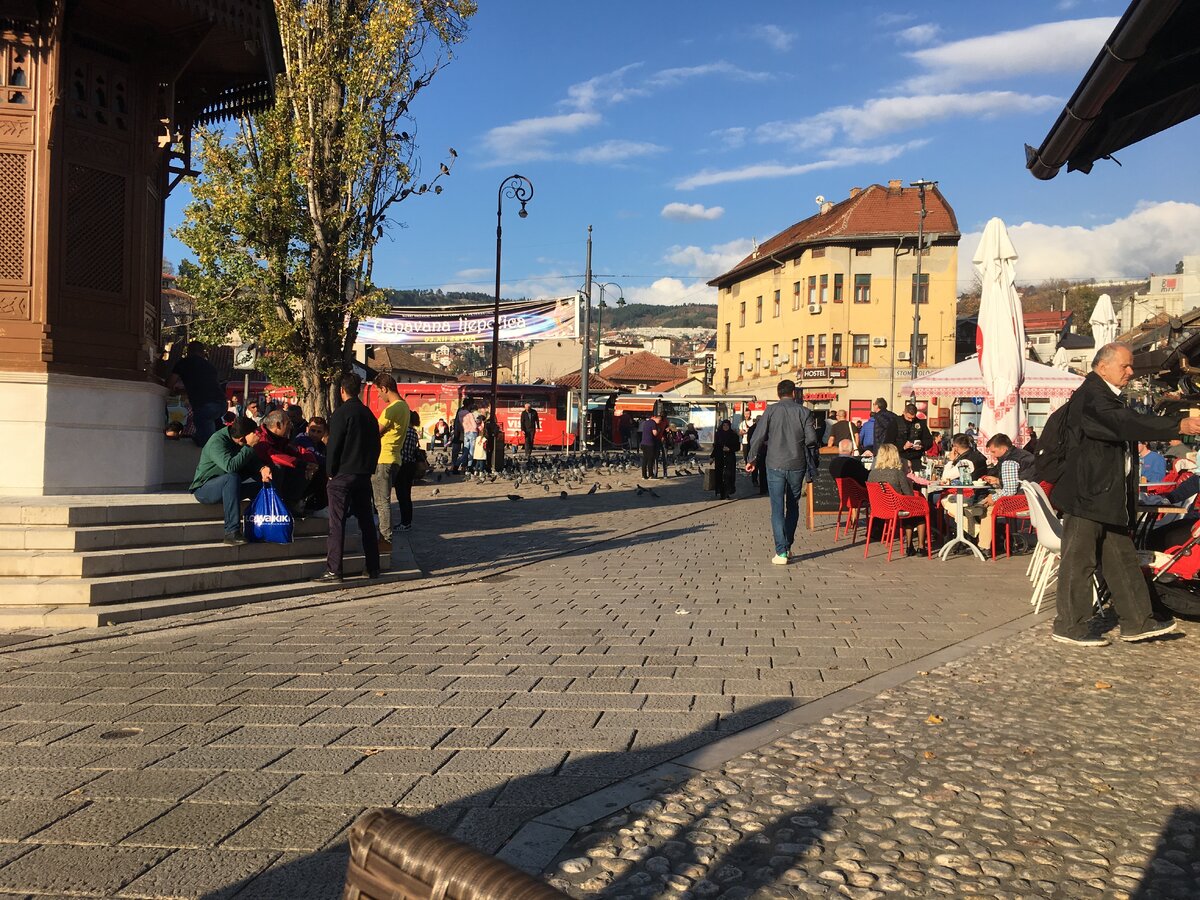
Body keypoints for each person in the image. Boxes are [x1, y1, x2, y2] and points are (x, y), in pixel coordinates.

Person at [1050, 342, 1200, 647]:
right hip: (1087, 494)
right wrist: (1176, 424)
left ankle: (1138, 622)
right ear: (1103, 367)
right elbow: (1123, 424)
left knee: (1121, 559)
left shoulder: (1106, 396)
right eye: (1125, 366)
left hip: (1106, 496)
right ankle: (1069, 626)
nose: (1131, 372)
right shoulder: (1093, 396)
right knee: (1079, 561)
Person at [314, 373, 382, 583]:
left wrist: (330, 471)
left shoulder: (341, 414)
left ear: (342, 390)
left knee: (337, 523)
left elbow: (334, 446)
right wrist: (369, 467)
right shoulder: (368, 414)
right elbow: (376, 444)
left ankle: (334, 569)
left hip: (343, 474)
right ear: (359, 390)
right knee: (367, 522)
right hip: (363, 474)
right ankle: (372, 567)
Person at [746, 379, 818, 565]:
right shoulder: (805, 412)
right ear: (794, 393)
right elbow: (811, 439)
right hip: (797, 464)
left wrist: (751, 458)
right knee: (793, 505)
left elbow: (758, 436)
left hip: (774, 464)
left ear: (778, 394)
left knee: (777, 508)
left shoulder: (771, 411)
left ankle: (781, 552)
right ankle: (787, 545)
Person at [189, 416, 269, 545]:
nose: (255, 436)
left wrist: (263, 469)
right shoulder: (217, 441)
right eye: (252, 434)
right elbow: (230, 467)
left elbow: (251, 461)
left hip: (229, 487)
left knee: (260, 485)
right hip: (205, 489)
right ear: (242, 438)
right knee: (232, 477)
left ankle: (262, 527)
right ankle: (231, 532)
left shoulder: (238, 441)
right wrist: (248, 446)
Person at [254, 409, 320, 517]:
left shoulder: (282, 439)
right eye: (288, 423)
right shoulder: (261, 437)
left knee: (309, 470)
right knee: (278, 467)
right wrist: (303, 464)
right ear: (278, 425)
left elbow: (298, 450)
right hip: (260, 472)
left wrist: (311, 463)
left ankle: (294, 503)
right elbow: (274, 456)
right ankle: (278, 505)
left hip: (279, 473)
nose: (291, 426)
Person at [372, 374, 411, 551]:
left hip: (383, 459)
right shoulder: (404, 407)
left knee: (381, 502)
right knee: (384, 500)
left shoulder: (391, 409)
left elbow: (375, 432)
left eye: (378, 392)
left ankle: (384, 540)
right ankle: (384, 538)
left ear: (384, 388)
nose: (378, 396)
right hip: (395, 458)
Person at [867, 443, 926, 556]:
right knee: (919, 512)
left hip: (878, 509)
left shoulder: (872, 474)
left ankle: (910, 547)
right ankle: (919, 547)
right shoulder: (898, 473)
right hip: (896, 509)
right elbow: (909, 495)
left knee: (909, 509)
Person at [166, 341, 227, 447]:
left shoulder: (183, 363)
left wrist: (170, 391)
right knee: (215, 430)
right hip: (221, 403)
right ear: (202, 352)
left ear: (188, 351)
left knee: (205, 442)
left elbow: (170, 383)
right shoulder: (209, 366)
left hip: (205, 405)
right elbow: (205, 386)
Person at [394, 411, 420, 533]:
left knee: (402, 495)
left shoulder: (406, 432)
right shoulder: (414, 433)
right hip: (411, 466)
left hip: (403, 465)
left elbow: (402, 451)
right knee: (407, 495)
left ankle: (405, 522)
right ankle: (407, 521)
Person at [896, 403, 933, 471]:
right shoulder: (895, 422)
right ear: (904, 412)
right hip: (899, 458)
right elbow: (889, 442)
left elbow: (929, 440)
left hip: (916, 459)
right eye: (908, 418)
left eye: (913, 418)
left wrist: (922, 445)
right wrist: (903, 447)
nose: (910, 420)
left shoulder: (920, 423)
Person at [711, 419, 739, 500]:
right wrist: (712, 457)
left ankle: (727, 492)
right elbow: (716, 446)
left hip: (729, 458)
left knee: (728, 475)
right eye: (724, 425)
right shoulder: (718, 434)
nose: (725, 427)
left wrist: (730, 449)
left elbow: (737, 447)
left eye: (727, 425)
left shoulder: (733, 435)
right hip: (719, 457)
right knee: (720, 475)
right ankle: (721, 492)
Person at [452, 400, 476, 474]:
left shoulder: (459, 412)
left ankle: (456, 465)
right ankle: (468, 467)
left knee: (464, 452)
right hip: (469, 433)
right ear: (469, 405)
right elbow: (474, 425)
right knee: (470, 452)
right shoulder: (469, 414)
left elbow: (458, 422)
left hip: (464, 432)